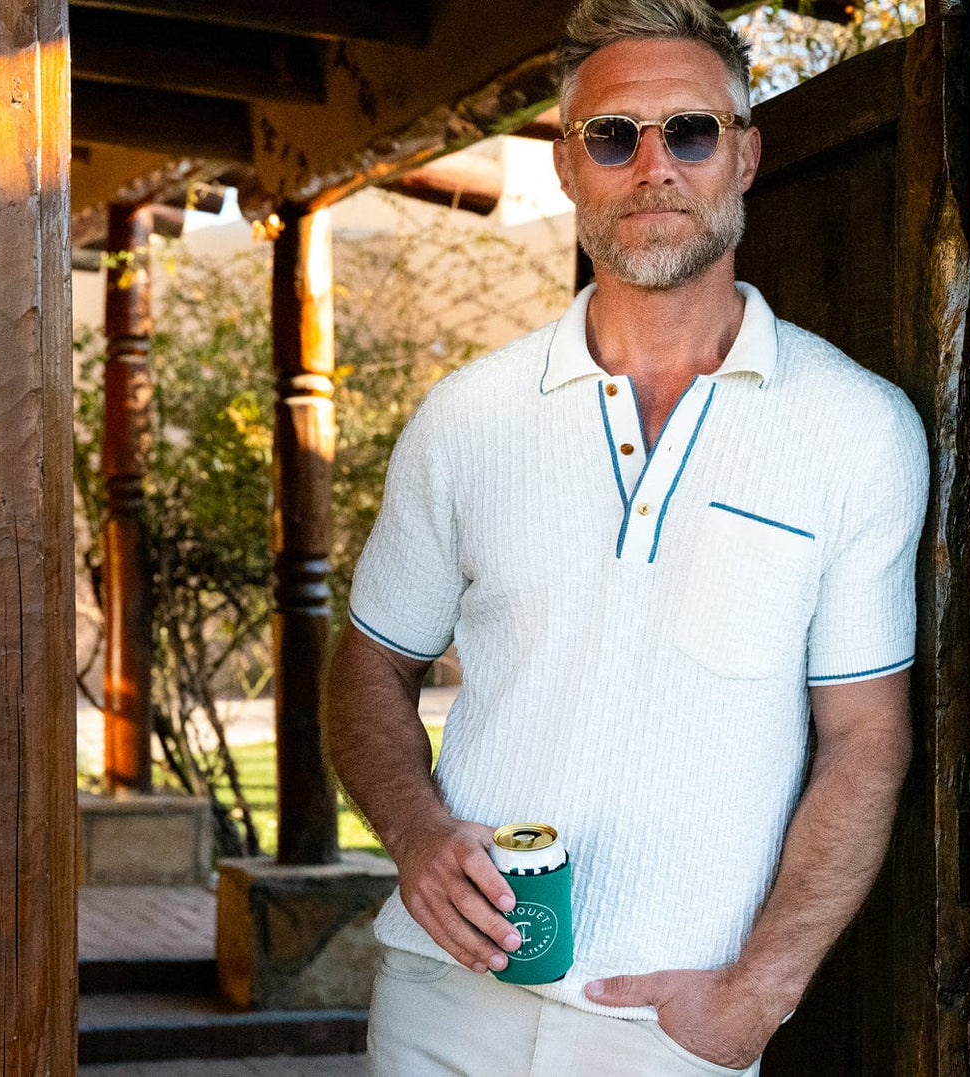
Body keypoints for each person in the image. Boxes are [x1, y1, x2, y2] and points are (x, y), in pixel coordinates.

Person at [324, 0, 928, 1072]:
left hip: (668, 1026)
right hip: (439, 999)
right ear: (567, 165)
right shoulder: (467, 417)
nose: (654, 166)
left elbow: (864, 740)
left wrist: (759, 992)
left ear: (745, 155)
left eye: (690, 131)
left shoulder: (856, 429)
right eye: (612, 136)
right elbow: (369, 665)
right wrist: (414, 836)